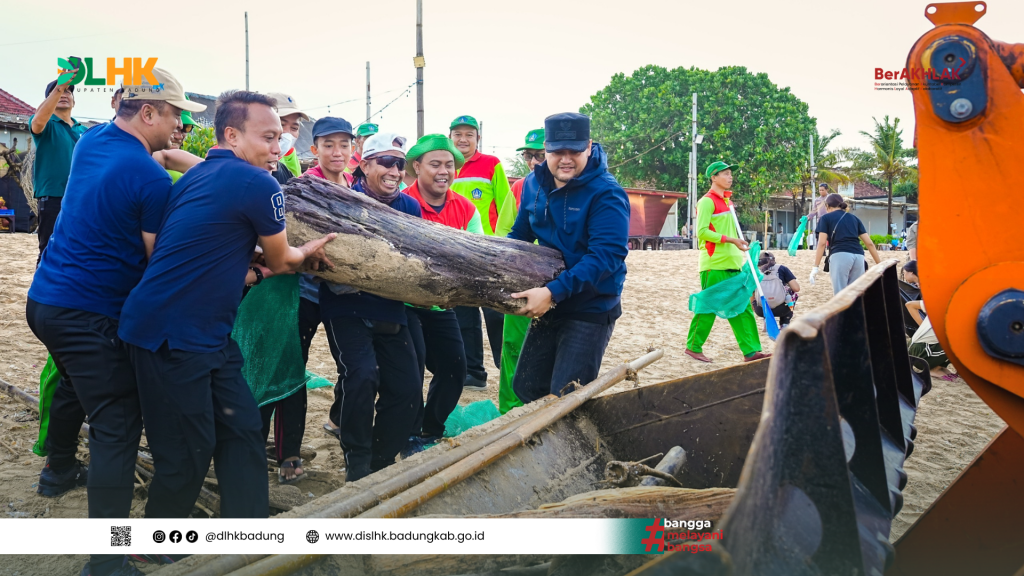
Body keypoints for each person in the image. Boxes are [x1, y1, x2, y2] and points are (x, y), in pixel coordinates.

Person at [116, 90, 335, 520]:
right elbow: (281, 260)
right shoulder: (259, 183)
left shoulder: (198, 177)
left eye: (280, 137)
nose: (278, 148)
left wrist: (245, 259)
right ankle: (152, 546)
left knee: (241, 431)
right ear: (232, 135)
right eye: (268, 137)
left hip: (207, 335)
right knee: (188, 451)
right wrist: (305, 249)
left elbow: (207, 243)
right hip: (170, 337)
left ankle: (246, 528)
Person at [26, 68, 206, 576]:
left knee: (81, 385)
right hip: (86, 312)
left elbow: (147, 157)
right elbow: (157, 265)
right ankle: (106, 562)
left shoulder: (94, 140)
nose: (179, 128)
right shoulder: (149, 178)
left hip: (44, 303)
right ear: (147, 112)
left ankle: (58, 467)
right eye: (175, 116)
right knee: (118, 424)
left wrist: (170, 154)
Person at [318, 131, 422, 481]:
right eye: (386, 163)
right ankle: (358, 462)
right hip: (345, 304)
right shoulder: (342, 200)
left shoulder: (409, 206)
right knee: (361, 376)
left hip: (390, 306)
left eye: (400, 164)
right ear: (363, 165)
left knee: (407, 388)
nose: (395, 171)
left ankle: (380, 460)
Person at [508, 112, 629, 404]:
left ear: (588, 146)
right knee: (527, 387)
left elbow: (605, 257)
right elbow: (519, 235)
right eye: (557, 152)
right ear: (545, 149)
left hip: (590, 305)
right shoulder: (532, 185)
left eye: (574, 151)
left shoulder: (607, 193)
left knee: (567, 398)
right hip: (549, 300)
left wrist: (551, 293)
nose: (565, 159)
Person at [400, 134, 481, 454]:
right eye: (435, 164)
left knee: (455, 369)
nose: (443, 170)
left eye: (449, 164)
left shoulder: (465, 208)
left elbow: (477, 254)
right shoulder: (402, 202)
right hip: (403, 303)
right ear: (417, 166)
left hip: (441, 304)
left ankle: (429, 430)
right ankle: (406, 435)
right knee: (410, 371)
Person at [449, 115, 517, 390]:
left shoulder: (492, 165)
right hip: (455, 253)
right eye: (458, 134)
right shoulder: (446, 164)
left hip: (489, 254)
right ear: (450, 137)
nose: (463, 139)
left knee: (496, 315)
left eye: (469, 134)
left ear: (478, 138)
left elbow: (506, 205)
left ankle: (508, 373)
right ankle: (474, 373)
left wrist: (503, 248)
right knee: (464, 314)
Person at [684, 161, 770, 364]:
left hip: (734, 263)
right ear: (713, 177)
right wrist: (731, 240)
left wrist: (738, 242)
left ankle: (752, 352)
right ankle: (693, 347)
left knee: (743, 308)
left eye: (731, 174)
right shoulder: (706, 201)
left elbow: (730, 232)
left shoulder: (728, 202)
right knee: (708, 307)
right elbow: (701, 232)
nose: (730, 177)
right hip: (714, 263)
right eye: (725, 174)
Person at [498, 128, 545, 414]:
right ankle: (508, 410)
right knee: (514, 346)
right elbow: (504, 231)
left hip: (557, 283)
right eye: (529, 155)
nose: (533, 161)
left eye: (539, 154)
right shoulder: (521, 188)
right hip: (522, 279)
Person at [30, 70, 87, 262]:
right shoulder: (45, 124)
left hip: (82, 199)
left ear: (74, 101)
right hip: (53, 197)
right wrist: (60, 85)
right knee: (49, 251)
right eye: (58, 91)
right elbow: (38, 121)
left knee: (80, 250)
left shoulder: (84, 131)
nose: (64, 94)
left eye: (68, 92)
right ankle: (39, 293)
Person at [810, 194, 883, 294]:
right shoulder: (854, 218)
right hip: (859, 256)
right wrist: (879, 264)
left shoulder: (825, 218)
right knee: (855, 295)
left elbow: (822, 243)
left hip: (840, 255)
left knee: (840, 294)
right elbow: (869, 243)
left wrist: (816, 266)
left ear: (827, 206)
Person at [906, 300, 956, 381]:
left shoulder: (942, 303)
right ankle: (933, 369)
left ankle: (940, 367)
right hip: (922, 356)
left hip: (913, 349)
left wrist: (922, 326)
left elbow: (909, 305)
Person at [267, 92, 309, 185]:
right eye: (281, 124)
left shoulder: (286, 173)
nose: (287, 133)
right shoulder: (243, 171)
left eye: (294, 128)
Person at [752, 251, 800, 327]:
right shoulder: (782, 268)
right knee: (792, 295)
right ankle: (785, 322)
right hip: (782, 309)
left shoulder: (755, 272)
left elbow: (751, 294)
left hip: (762, 310)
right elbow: (796, 288)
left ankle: (766, 319)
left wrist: (755, 307)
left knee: (756, 295)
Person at [809, 183, 830, 249]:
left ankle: (831, 250)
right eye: (820, 190)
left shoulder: (830, 198)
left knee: (830, 236)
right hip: (820, 220)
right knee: (818, 235)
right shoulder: (817, 200)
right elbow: (814, 210)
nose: (821, 191)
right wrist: (809, 216)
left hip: (830, 220)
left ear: (827, 190)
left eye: (822, 190)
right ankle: (822, 251)